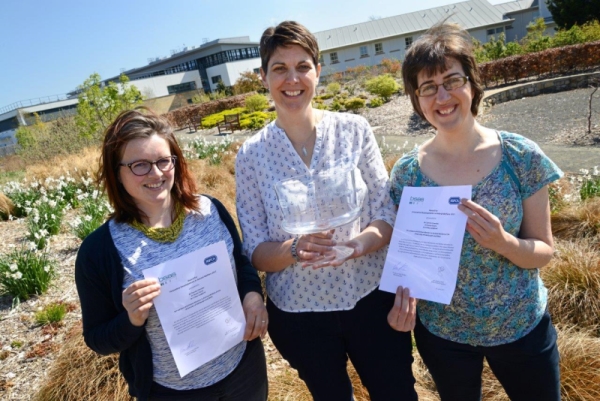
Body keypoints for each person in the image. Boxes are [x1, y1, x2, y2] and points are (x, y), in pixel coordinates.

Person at [235, 20, 417, 401]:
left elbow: (387, 213)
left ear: (318, 70)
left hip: (370, 299)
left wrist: (356, 246)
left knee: (397, 393)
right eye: (279, 68)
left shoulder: (354, 129)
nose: (292, 79)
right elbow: (255, 250)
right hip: (300, 316)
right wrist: (294, 249)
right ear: (263, 77)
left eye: (302, 66)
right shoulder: (252, 156)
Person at [388, 22, 563, 401]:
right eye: (428, 87)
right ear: (417, 99)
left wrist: (503, 242)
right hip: (443, 335)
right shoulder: (407, 174)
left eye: (452, 80)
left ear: (472, 84)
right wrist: (406, 299)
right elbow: (411, 257)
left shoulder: (520, 156)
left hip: (521, 326)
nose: (442, 95)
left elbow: (544, 251)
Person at [74, 108, 268, 401]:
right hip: (173, 391)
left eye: (163, 161)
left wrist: (252, 295)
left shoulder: (210, 211)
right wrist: (131, 319)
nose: (155, 173)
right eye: (139, 165)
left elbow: (242, 265)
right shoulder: (99, 251)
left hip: (243, 370)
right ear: (117, 172)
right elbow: (97, 339)